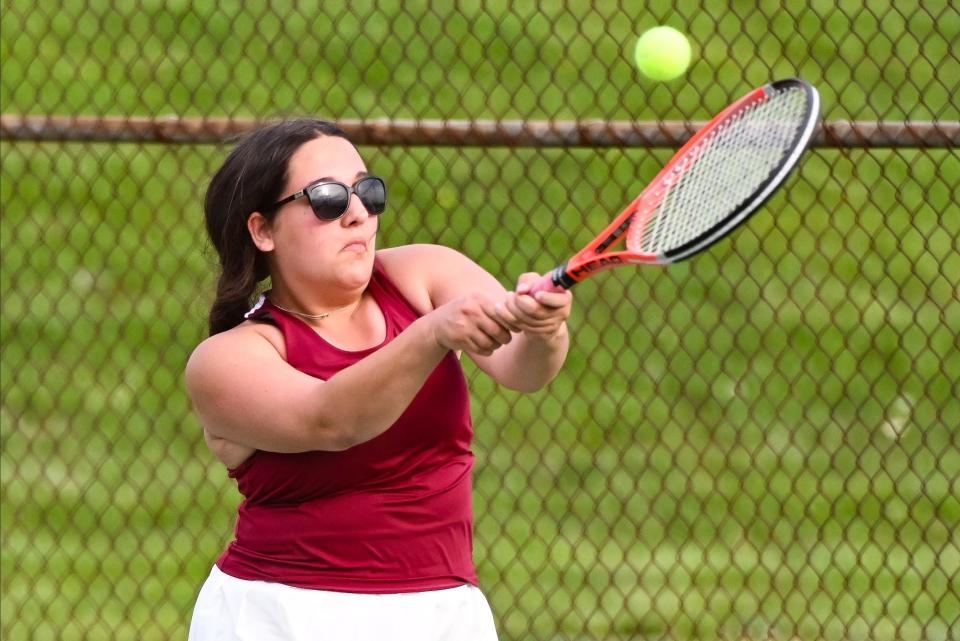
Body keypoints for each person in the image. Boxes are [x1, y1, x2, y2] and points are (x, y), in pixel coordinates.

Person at [184, 118, 573, 641]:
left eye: (367, 192)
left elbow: (521, 367)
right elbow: (330, 421)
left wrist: (544, 330)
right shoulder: (227, 359)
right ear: (263, 230)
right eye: (326, 198)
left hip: (442, 612)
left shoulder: (422, 272)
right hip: (284, 616)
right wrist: (430, 334)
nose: (358, 214)